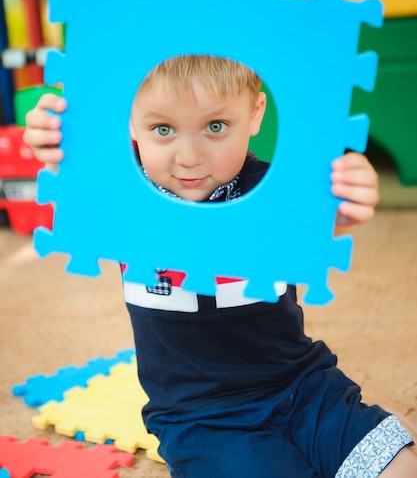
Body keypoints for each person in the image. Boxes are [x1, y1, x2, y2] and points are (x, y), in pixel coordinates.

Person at [24, 54, 417, 478]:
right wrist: (53, 148)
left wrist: (348, 195)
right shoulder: (121, 196)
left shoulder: (276, 188)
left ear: (255, 114)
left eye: (215, 127)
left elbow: (324, 213)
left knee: (399, 467)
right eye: (163, 129)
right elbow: (76, 188)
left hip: (303, 386)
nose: (189, 157)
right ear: (130, 124)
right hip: (201, 418)